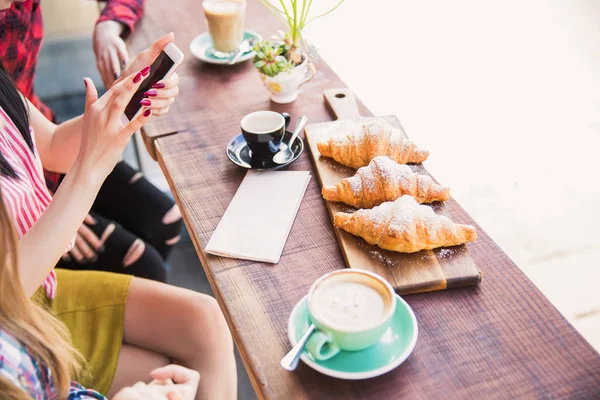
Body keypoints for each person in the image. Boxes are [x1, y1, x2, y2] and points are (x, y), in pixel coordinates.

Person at [0, 16, 238, 400]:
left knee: (207, 321)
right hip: (13, 311)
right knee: (184, 373)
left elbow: (53, 145)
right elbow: (6, 290)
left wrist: (124, 95)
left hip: (42, 283)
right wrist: (90, 171)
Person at [0, 0, 183, 282]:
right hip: (18, 208)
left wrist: (126, 91)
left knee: (165, 221)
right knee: (144, 265)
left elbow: (50, 145)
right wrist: (56, 209)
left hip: (34, 151)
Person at [0, 187, 201, 400]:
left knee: (198, 320)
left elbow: (55, 387)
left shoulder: (13, 336)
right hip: (36, 293)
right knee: (146, 264)